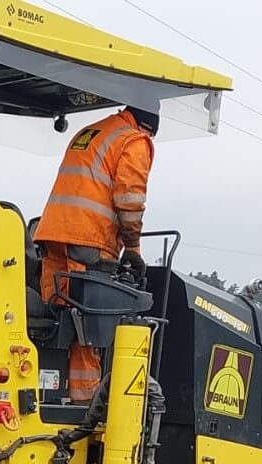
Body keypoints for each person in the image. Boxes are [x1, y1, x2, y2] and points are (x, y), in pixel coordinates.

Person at [33, 104, 159, 402]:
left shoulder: (93, 132)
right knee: (88, 324)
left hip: (54, 233)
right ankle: (84, 405)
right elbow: (130, 198)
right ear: (149, 126)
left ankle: (46, 395)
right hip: (87, 239)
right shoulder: (134, 139)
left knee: (56, 316)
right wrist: (133, 248)